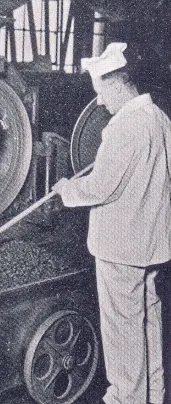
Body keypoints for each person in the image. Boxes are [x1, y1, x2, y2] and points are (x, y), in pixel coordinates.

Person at [52, 42, 171, 404]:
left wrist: (67, 189)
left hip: (121, 247)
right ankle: (153, 395)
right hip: (152, 243)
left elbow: (102, 187)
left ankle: (126, 398)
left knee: (123, 332)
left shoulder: (124, 127)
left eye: (102, 91)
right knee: (148, 325)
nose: (100, 102)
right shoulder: (160, 119)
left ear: (118, 84)